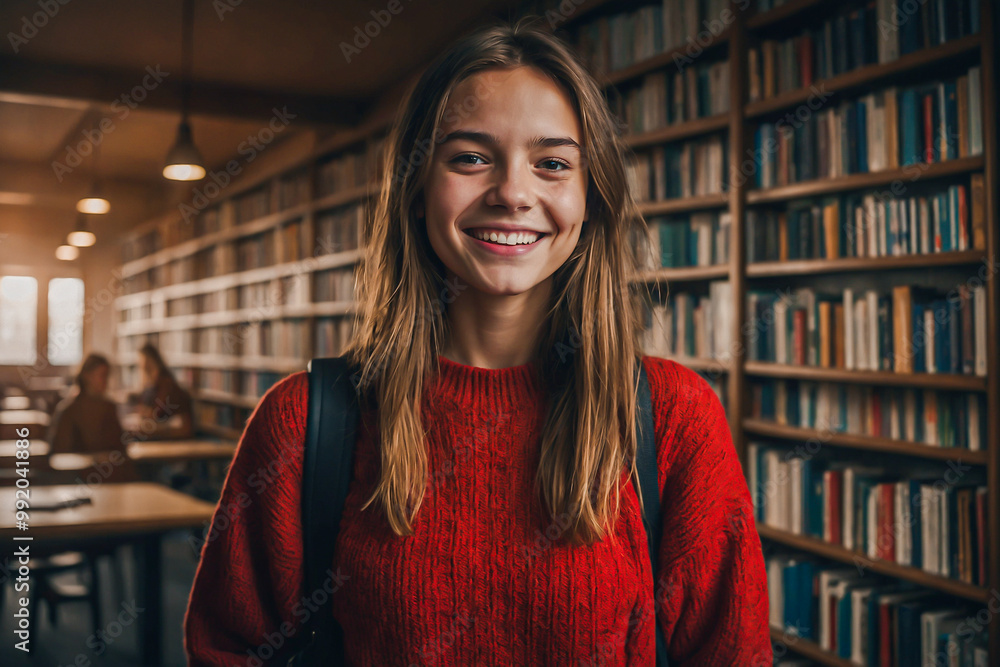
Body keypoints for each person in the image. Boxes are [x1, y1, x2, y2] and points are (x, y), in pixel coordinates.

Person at [184, 18, 770, 666]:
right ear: (416, 186)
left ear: (590, 196)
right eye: (469, 157)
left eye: (552, 163)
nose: (513, 192)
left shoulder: (675, 418)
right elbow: (225, 649)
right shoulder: (301, 425)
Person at [48, 353, 137, 482]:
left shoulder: (109, 407)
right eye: (102, 376)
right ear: (87, 376)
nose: (106, 381)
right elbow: (60, 452)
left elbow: (119, 445)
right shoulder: (69, 410)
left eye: (107, 376)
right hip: (78, 476)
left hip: (110, 474)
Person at [130, 342, 194, 440]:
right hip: (164, 426)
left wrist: (147, 413)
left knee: (136, 436)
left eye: (141, 360)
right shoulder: (153, 380)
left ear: (149, 360)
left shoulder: (165, 381)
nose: (139, 364)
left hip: (175, 431)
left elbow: (159, 412)